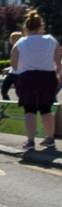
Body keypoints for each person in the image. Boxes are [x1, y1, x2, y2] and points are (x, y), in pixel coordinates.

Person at [12, 9, 61, 149]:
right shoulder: (52, 40)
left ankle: (31, 140)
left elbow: (14, 62)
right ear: (41, 26)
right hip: (47, 76)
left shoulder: (21, 42)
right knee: (46, 108)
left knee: (30, 109)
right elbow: (58, 61)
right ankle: (50, 138)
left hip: (27, 77)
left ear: (26, 27)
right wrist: (58, 75)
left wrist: (21, 70)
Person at [0, 32, 23, 101]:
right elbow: (15, 63)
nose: (13, 40)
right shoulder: (14, 48)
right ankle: (7, 103)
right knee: (3, 90)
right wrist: (8, 68)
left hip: (19, 74)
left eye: (15, 38)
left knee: (19, 92)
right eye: (11, 39)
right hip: (12, 73)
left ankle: (24, 106)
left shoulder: (22, 48)